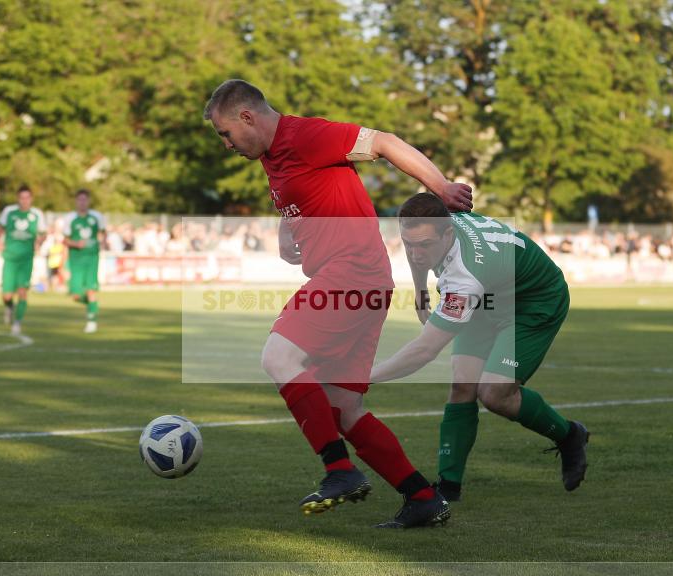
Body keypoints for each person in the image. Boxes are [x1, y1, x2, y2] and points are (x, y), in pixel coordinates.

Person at [204, 79, 472, 528]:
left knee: (279, 356)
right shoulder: (272, 157)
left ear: (246, 117)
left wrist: (441, 187)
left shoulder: (303, 135)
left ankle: (339, 470)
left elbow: (384, 142)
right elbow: (296, 200)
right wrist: (287, 233)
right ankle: (423, 498)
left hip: (352, 274)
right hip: (363, 282)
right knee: (342, 407)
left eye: (225, 133)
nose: (226, 144)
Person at [370, 192, 590, 502]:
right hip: (490, 297)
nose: (416, 254)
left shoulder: (465, 278)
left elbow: (424, 350)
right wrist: (421, 293)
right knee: (462, 384)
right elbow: (417, 250)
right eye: (409, 244)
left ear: (448, 233)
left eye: (425, 246)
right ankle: (448, 487)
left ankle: (570, 435)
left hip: (533, 302)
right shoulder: (439, 222)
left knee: (495, 394)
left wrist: (367, 376)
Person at [0, 185, 46, 335]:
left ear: (31, 199)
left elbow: (43, 233)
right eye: (22, 198)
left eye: (27, 198)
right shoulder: (9, 212)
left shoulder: (36, 214)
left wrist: (39, 241)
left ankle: (17, 323)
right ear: (18, 199)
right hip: (10, 258)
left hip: (26, 259)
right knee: (7, 295)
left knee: (23, 291)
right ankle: (9, 306)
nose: (24, 201)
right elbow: (1, 229)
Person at [63, 189, 105, 333]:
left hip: (92, 258)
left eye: (85, 200)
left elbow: (103, 233)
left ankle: (92, 321)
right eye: (79, 200)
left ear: (88, 201)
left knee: (91, 290)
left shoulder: (96, 217)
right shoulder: (70, 218)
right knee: (76, 295)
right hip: (76, 260)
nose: (82, 202)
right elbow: (65, 240)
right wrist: (76, 244)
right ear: (76, 201)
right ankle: (93, 305)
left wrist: (102, 242)